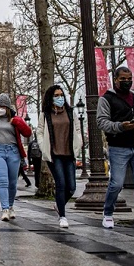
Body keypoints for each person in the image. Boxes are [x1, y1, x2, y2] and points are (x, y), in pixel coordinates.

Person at [98, 67, 134, 232]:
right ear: (115, 80)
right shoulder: (107, 99)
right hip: (118, 147)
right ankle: (108, 213)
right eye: (123, 79)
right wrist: (120, 126)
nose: (127, 81)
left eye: (129, 78)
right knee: (117, 184)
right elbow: (101, 122)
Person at [36, 85, 82, 229]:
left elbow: (77, 129)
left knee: (72, 187)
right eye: (56, 95)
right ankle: (62, 216)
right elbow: (40, 132)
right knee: (61, 184)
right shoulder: (45, 114)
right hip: (54, 154)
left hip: (69, 154)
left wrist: (78, 143)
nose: (60, 98)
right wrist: (44, 147)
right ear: (50, 97)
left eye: (61, 95)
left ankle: (58, 204)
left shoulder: (70, 112)